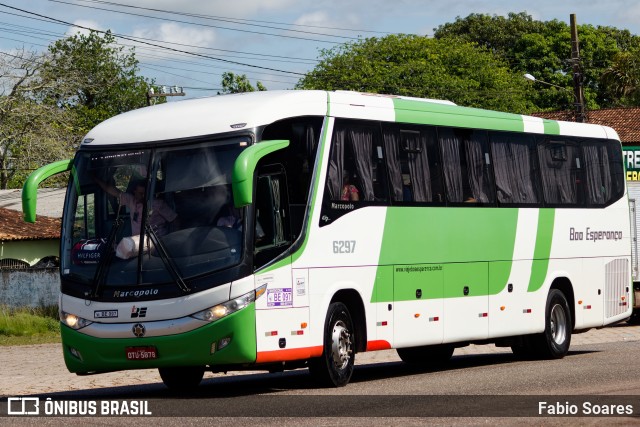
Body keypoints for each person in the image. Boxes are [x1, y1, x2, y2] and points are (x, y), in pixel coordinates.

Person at [95, 178, 178, 237]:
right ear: (134, 192)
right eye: (140, 193)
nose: (143, 196)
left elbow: (174, 219)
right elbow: (112, 190)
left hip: (158, 243)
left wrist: (174, 238)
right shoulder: (131, 200)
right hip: (139, 245)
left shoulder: (157, 204)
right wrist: (96, 179)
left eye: (145, 193)